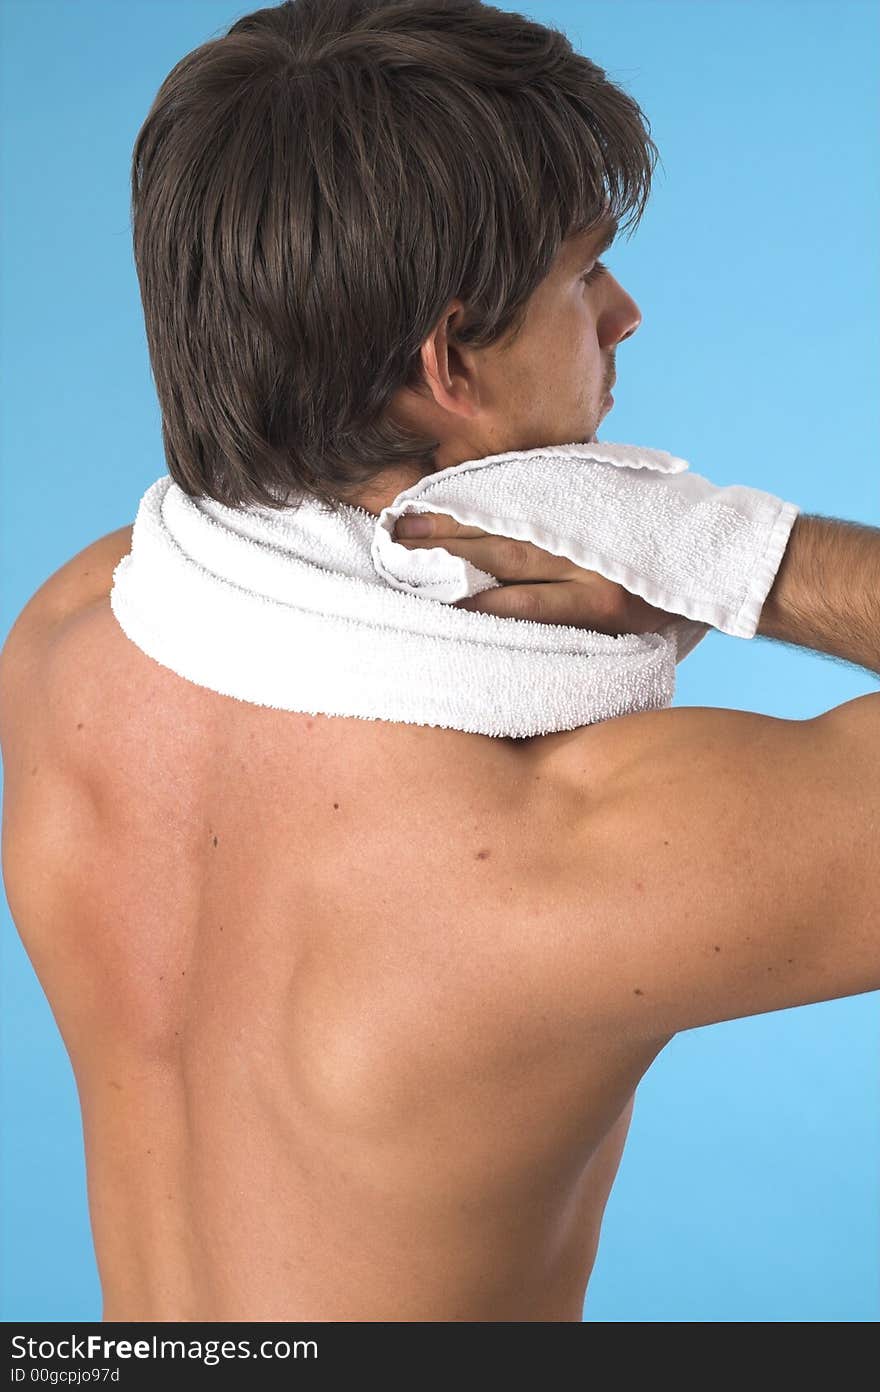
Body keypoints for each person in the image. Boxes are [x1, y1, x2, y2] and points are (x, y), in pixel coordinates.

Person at [1, 0, 877, 1323]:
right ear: (449, 362)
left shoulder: (68, 640)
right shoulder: (579, 850)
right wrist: (734, 557)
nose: (624, 313)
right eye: (584, 274)